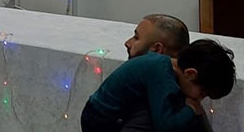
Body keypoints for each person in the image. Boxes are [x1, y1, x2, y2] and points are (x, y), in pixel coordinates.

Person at [81, 39, 236, 132]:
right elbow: (165, 126)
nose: (200, 99)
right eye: (202, 93)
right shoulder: (161, 76)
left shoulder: (167, 66)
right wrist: (191, 110)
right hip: (100, 120)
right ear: (190, 73)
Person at [123, 15, 212, 132]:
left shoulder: (157, 104)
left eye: (136, 38)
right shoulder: (187, 103)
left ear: (157, 50)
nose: (127, 43)